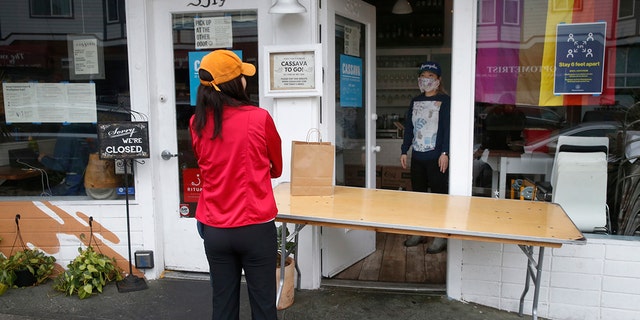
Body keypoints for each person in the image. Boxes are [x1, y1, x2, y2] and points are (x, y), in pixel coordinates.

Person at [190, 50, 283, 320]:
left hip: (214, 227)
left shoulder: (197, 122)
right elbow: (276, 168)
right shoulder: (259, 118)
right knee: (264, 305)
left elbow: (206, 163)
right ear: (233, 83)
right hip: (254, 225)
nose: (245, 80)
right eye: (242, 75)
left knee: (223, 304)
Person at [400, 61, 450, 254]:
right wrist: (405, 150)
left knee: (439, 198)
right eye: (424, 76)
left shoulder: (445, 101)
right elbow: (410, 127)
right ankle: (419, 231)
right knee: (418, 197)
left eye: (431, 76)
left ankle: (440, 236)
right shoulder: (415, 101)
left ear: (438, 80)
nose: (426, 80)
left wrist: (445, 153)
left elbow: (447, 129)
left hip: (437, 157)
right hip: (418, 156)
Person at [37, 123, 96, 196]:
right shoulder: (92, 128)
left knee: (42, 196)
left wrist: (43, 159)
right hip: (91, 177)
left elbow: (61, 165)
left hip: (74, 180)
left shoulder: (67, 131)